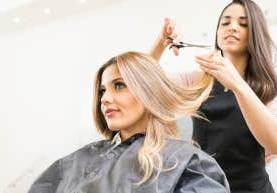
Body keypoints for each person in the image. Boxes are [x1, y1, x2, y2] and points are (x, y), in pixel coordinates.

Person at [28, 51, 230, 193]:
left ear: (149, 91)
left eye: (119, 85)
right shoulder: (75, 162)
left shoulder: (189, 163)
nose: (105, 99)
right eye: (102, 90)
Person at [149, 0, 277, 192]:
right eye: (225, 23)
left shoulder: (270, 84)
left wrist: (238, 85)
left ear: (256, 33)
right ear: (217, 33)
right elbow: (143, 83)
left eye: (243, 24)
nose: (232, 27)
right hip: (204, 188)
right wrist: (160, 44)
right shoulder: (197, 80)